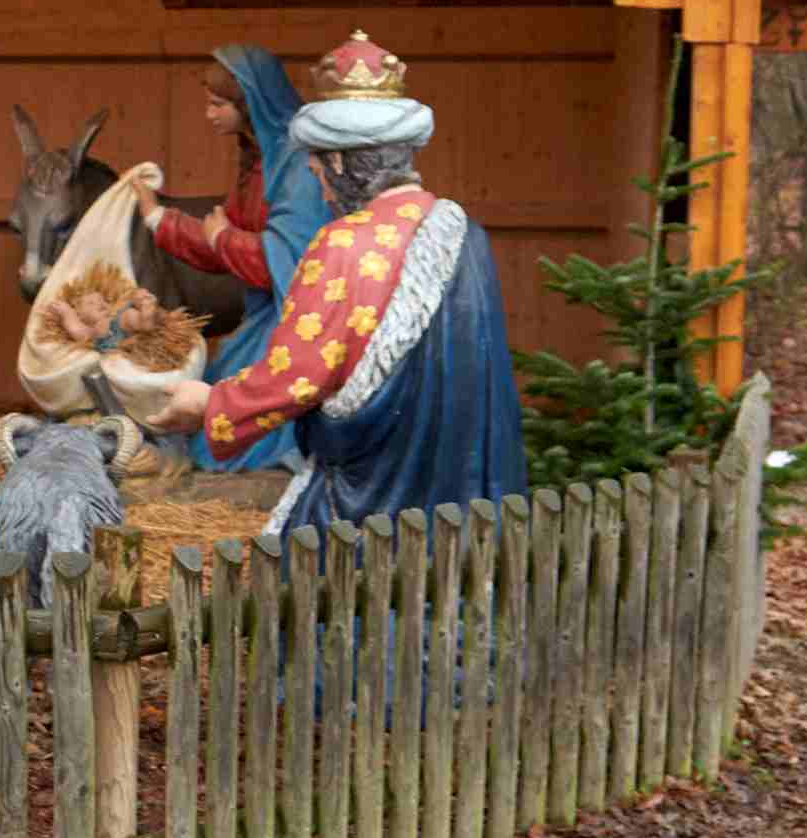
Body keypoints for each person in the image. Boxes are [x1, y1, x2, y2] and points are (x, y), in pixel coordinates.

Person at [147, 31, 527, 534]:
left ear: (346, 161)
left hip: (373, 489)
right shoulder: (463, 232)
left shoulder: (344, 244)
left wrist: (208, 404)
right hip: (461, 477)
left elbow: (297, 375)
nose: (312, 170)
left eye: (319, 158)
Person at [129, 46, 325, 474]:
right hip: (264, 315)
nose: (208, 114)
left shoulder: (298, 166)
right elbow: (224, 241)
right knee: (219, 387)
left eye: (218, 103)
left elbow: (288, 265)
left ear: (250, 103)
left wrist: (224, 238)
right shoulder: (259, 161)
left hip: (301, 321)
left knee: (240, 408)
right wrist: (159, 217)